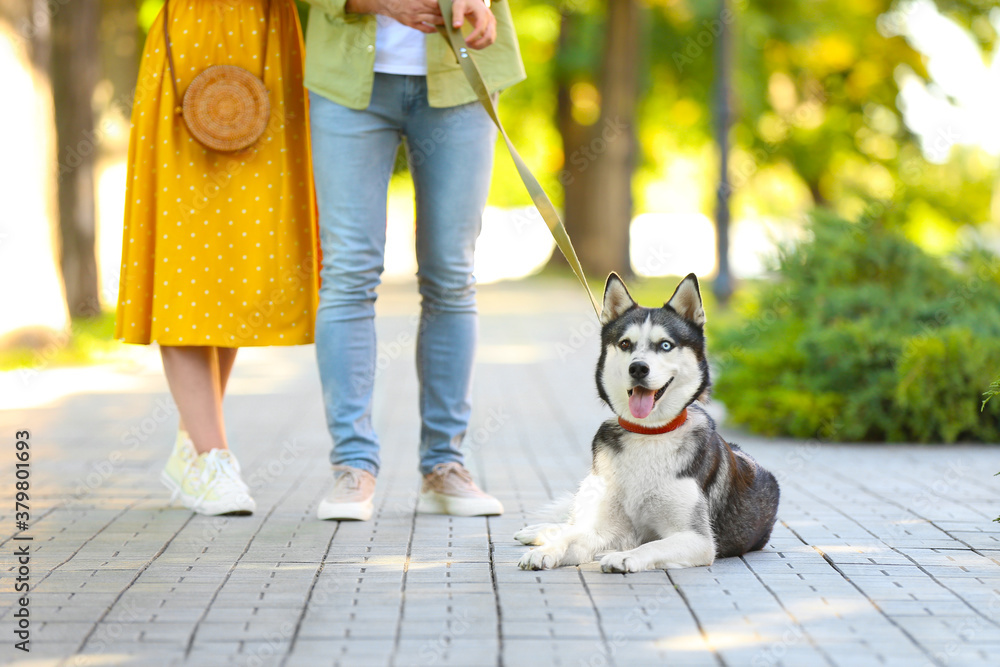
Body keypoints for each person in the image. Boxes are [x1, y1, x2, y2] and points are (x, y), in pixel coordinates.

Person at [303, 0, 525, 520]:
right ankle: (352, 466)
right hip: (347, 79)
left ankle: (445, 465)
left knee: (451, 275)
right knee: (348, 273)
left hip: (459, 69)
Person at [115, 0, 318, 516]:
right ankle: (210, 455)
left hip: (271, 44)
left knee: (243, 257)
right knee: (183, 255)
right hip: (187, 41)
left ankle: (195, 447)